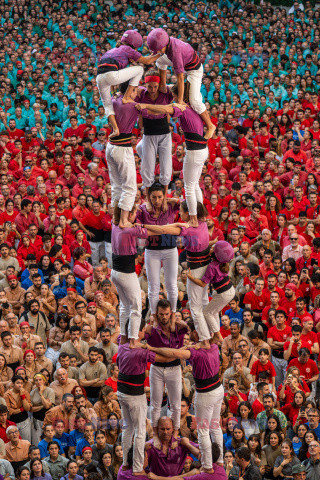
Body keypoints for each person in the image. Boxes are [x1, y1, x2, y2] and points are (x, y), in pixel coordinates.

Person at [147, 322, 224, 470]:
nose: (190, 335)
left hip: (206, 392)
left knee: (203, 430)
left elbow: (174, 354)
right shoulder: (213, 344)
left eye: (192, 332)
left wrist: (152, 348)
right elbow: (217, 336)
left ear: (197, 332)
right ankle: (219, 460)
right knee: (215, 427)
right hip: (218, 388)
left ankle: (207, 465)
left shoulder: (196, 352)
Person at [147, 28, 215, 140]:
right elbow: (158, 56)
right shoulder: (166, 43)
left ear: (164, 44)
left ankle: (210, 125)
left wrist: (180, 101)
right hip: (185, 63)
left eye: (158, 49)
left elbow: (180, 78)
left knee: (194, 101)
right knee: (159, 59)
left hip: (194, 70)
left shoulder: (175, 52)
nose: (157, 51)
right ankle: (163, 85)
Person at [96, 30, 159, 137]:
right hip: (111, 75)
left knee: (107, 105)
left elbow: (109, 76)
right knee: (139, 69)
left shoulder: (112, 50)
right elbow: (147, 61)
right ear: (134, 45)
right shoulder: (128, 49)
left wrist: (114, 92)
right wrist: (159, 54)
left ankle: (115, 129)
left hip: (99, 78)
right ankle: (126, 97)